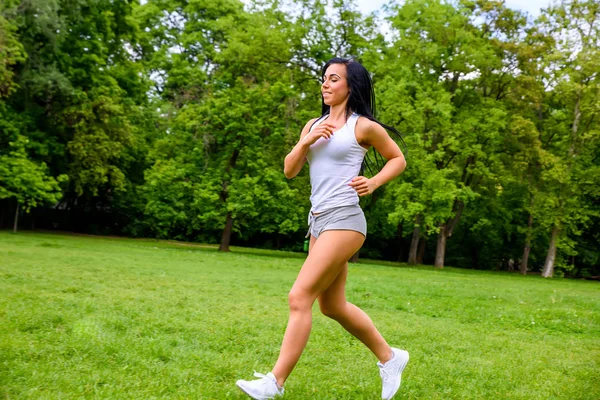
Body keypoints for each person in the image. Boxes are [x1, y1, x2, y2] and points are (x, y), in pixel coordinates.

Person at [236, 57, 409, 400]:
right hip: (318, 221)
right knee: (332, 306)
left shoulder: (362, 127)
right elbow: (289, 170)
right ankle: (391, 358)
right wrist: (306, 140)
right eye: (324, 79)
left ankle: (275, 383)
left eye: (333, 79)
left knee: (299, 296)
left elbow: (398, 158)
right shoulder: (313, 124)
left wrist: (372, 183)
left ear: (350, 86)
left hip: (345, 219)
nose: (325, 84)